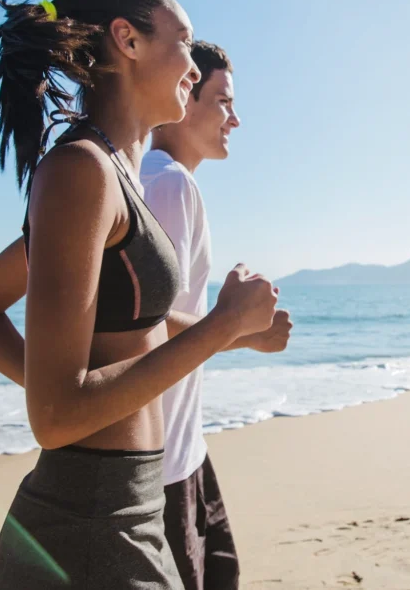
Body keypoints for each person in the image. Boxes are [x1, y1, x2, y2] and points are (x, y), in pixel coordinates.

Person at [0, 0, 279, 590]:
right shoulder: (82, 170)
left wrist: (239, 333)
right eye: (183, 43)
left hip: (128, 503)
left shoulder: (112, 173)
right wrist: (220, 327)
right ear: (127, 40)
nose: (191, 65)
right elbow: (54, 417)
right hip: (88, 524)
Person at [142, 41, 281, 590]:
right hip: (165, 466)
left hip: (186, 452)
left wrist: (243, 335)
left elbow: (167, 322)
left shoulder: (162, 179)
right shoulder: (170, 183)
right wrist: (237, 327)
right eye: (223, 101)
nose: (236, 118)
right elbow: (147, 327)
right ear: (186, 97)